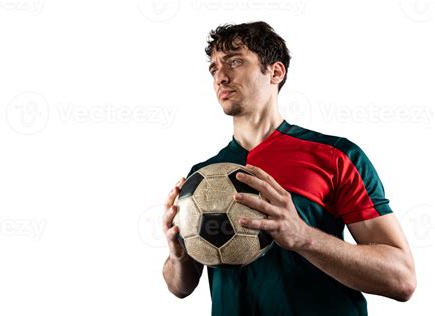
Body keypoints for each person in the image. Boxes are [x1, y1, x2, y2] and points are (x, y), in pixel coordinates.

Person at [162, 21, 416, 315]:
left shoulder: (335, 156)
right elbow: (180, 286)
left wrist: (303, 237)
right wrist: (178, 255)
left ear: (276, 71)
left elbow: (402, 279)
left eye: (234, 61)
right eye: (214, 68)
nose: (221, 76)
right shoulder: (203, 176)